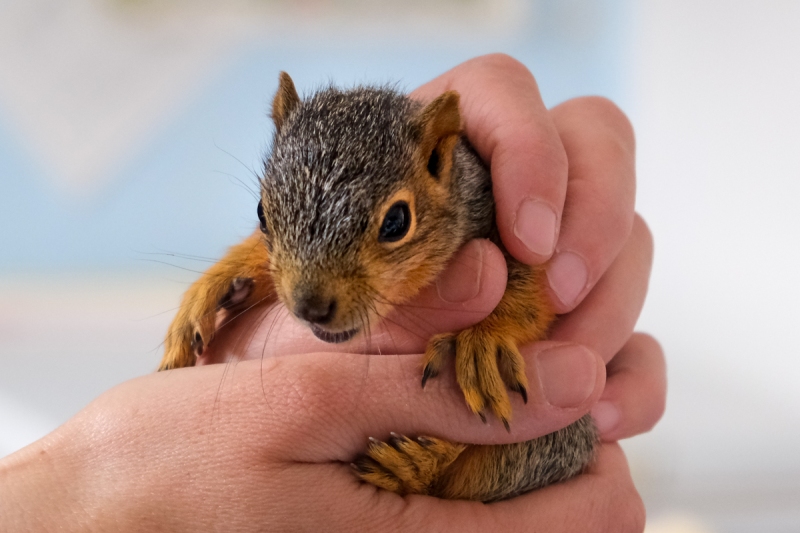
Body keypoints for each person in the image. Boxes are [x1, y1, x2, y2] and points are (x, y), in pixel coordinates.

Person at [0, 54, 664, 532]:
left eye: (393, 226)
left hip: (494, 463)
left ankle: (441, 462)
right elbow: (283, 255)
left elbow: (528, 287)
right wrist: (225, 284)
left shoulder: (478, 206)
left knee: (537, 420)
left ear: (437, 158)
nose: (307, 298)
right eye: (271, 220)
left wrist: (496, 332)